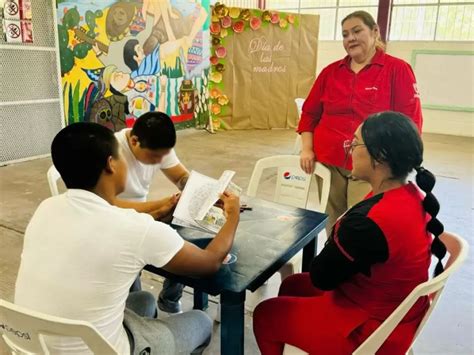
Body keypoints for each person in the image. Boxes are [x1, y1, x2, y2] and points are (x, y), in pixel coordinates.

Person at [15, 122, 241, 354]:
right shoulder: (133, 228)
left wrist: (155, 215)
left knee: (144, 300)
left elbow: (111, 227)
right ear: (111, 164)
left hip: (34, 345)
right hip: (104, 350)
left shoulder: (47, 207)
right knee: (201, 322)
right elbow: (210, 263)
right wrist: (233, 215)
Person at [254, 111, 446, 355]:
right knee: (292, 284)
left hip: (372, 332)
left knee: (266, 314)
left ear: (380, 157)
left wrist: (337, 233)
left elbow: (322, 277)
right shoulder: (412, 195)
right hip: (395, 310)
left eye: (355, 143)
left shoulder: (369, 222)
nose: (349, 149)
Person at [298, 10, 423, 231]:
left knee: (363, 223)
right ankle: (335, 260)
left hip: (373, 164)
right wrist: (306, 149)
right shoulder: (330, 72)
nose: (350, 38)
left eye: (357, 31)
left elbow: (410, 122)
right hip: (328, 161)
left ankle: (358, 265)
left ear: (375, 32)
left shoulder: (397, 70)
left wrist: (396, 163)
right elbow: (309, 114)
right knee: (333, 222)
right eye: (345, 34)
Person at [113, 111, 190, 314]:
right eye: (154, 157)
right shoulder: (111, 152)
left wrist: (201, 192)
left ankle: (170, 299)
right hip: (116, 218)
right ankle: (133, 309)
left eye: (163, 157)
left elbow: (181, 176)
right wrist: (159, 206)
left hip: (143, 213)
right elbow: (107, 205)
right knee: (125, 256)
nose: (159, 162)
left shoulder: (158, 145)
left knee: (187, 231)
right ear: (135, 141)